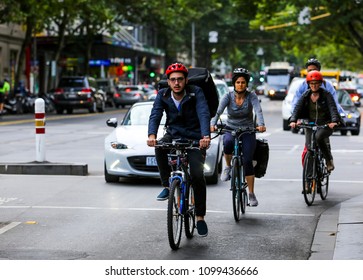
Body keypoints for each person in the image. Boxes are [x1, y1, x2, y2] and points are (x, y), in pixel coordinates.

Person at [147, 62, 211, 237]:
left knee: (197, 176)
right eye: (173, 80)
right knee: (160, 147)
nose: (176, 83)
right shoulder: (163, 94)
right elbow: (155, 114)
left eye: (180, 79)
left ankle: (199, 217)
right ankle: (167, 185)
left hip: (195, 136)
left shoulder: (195, 92)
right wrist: (152, 135)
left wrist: (205, 136)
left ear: (186, 80)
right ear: (168, 82)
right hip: (173, 133)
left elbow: (203, 113)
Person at [210, 68, 266, 207]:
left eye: (243, 82)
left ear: (246, 84)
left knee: (247, 160)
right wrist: (212, 124)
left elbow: (258, 110)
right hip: (230, 128)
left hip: (248, 130)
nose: (240, 84)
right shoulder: (228, 96)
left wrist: (261, 124)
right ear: (234, 83)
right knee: (227, 143)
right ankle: (228, 166)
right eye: (238, 82)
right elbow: (218, 111)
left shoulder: (251, 96)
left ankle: (251, 194)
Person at [289, 70, 340, 172]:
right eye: (312, 83)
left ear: (320, 84)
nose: (314, 85)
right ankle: (309, 179)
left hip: (325, 124)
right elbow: (297, 108)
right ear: (308, 84)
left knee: (319, 137)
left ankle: (329, 160)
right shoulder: (306, 95)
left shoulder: (327, 95)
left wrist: (334, 121)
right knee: (309, 148)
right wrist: (293, 120)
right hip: (310, 124)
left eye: (316, 83)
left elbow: (333, 109)